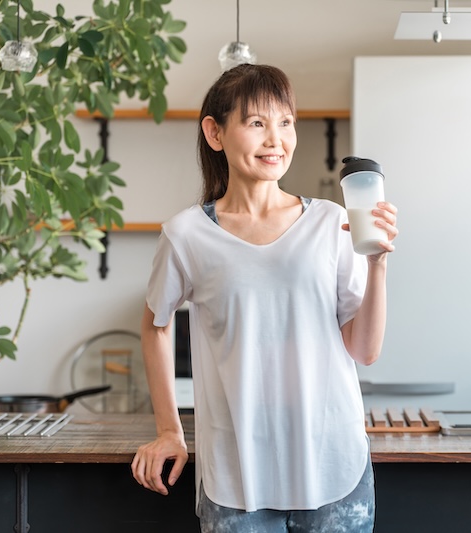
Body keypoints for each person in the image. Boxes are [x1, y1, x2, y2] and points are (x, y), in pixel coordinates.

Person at [131, 63, 398, 532]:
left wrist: (377, 263)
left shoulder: (331, 222)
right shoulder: (186, 234)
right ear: (215, 133)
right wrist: (169, 430)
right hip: (237, 475)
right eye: (257, 123)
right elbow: (155, 324)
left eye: (285, 122)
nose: (276, 140)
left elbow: (364, 351)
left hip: (333, 461)